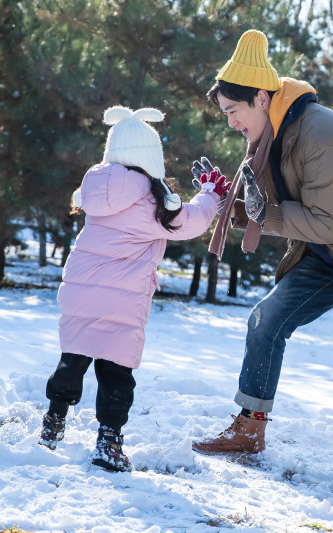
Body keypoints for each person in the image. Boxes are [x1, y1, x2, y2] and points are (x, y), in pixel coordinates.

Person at [189, 29, 333, 514]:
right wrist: (229, 201)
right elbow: (276, 210)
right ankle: (249, 427)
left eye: (234, 112)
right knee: (266, 319)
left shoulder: (321, 133)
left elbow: (321, 219)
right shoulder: (276, 135)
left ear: (261, 98)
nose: (231, 122)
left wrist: (257, 212)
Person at [38, 106, 228, 472]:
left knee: (72, 359)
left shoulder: (95, 192)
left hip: (80, 290)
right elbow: (191, 222)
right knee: (115, 372)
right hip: (121, 300)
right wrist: (209, 195)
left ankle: (54, 420)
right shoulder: (150, 203)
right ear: (150, 157)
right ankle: (108, 441)